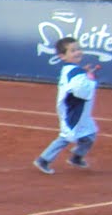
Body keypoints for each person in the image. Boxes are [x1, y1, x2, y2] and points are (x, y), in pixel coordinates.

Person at [34, 36, 99, 173]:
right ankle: (44, 160)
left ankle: (76, 157)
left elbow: (80, 83)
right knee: (65, 137)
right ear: (62, 56)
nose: (78, 52)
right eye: (73, 50)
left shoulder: (74, 70)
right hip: (73, 113)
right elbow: (81, 91)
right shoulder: (74, 72)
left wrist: (85, 74)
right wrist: (90, 78)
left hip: (81, 113)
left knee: (90, 134)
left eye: (79, 49)